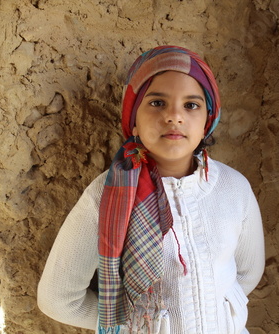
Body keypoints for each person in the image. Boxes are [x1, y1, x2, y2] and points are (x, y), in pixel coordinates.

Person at [37, 45, 265, 334]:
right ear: (133, 120)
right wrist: (137, 323)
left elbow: (246, 274)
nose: (174, 116)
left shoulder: (233, 188)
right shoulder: (106, 196)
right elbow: (58, 299)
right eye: (157, 103)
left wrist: (215, 311)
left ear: (208, 119)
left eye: (191, 105)